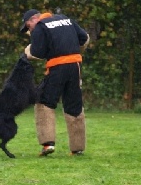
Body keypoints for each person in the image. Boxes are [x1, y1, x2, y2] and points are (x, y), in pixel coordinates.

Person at [20, 9, 90, 156]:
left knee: (43, 101)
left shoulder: (40, 26)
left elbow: (38, 52)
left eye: (28, 26)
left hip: (57, 67)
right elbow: (84, 38)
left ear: (34, 19)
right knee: (74, 104)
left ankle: (48, 144)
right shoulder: (65, 19)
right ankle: (77, 149)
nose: (30, 30)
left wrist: (28, 52)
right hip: (75, 66)